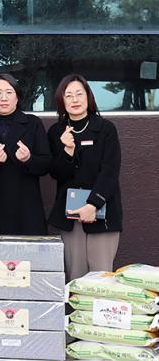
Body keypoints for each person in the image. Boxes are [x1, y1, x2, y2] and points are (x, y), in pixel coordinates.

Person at [47, 74, 122, 281]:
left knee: (101, 277)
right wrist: (68, 150)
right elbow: (56, 173)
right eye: (69, 95)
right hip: (70, 216)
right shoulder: (56, 132)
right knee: (75, 277)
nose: (75, 100)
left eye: (79, 94)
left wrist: (93, 205)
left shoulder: (106, 129)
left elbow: (110, 172)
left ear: (88, 97)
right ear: (62, 101)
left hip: (102, 212)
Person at [0, 73, 51, 235]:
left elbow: (46, 164)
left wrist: (28, 159)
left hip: (26, 208)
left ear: (17, 97)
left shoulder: (32, 123)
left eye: (9, 92)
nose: (4, 98)